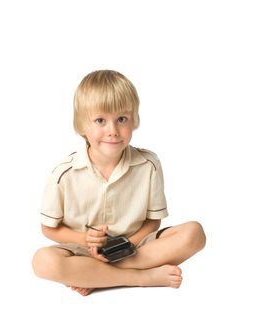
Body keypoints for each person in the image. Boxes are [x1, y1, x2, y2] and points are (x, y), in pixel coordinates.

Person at [32, 70, 206, 296]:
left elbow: (153, 222)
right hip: (82, 251)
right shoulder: (64, 173)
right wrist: (84, 240)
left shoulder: (148, 164)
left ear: (134, 120)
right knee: (42, 261)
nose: (112, 131)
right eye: (100, 120)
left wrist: (127, 245)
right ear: (82, 125)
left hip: (136, 248)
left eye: (121, 119)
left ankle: (96, 275)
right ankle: (140, 278)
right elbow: (49, 227)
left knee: (195, 233)